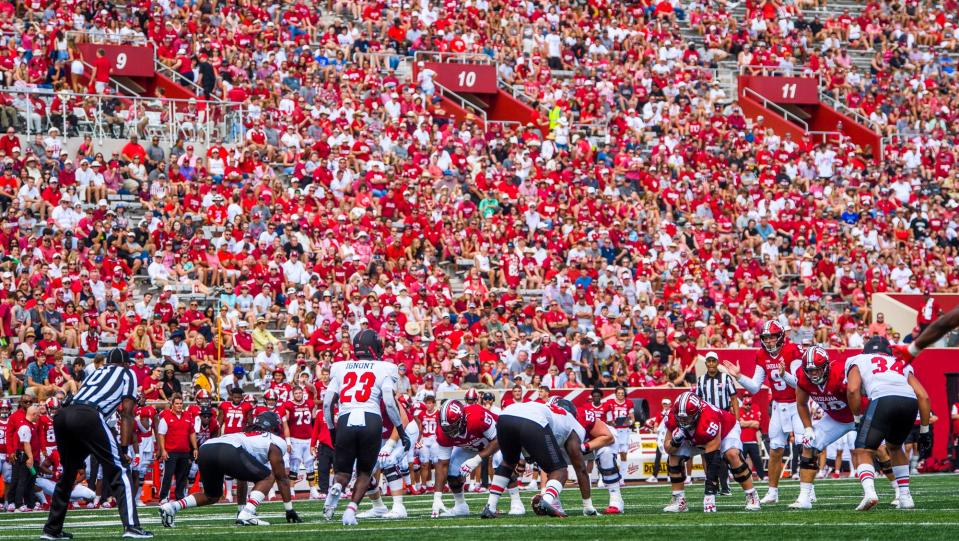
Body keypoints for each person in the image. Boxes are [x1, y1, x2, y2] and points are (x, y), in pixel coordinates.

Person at [42, 347, 152, 539]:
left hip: (64, 415)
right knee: (121, 469)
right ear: (126, 363)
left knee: (68, 475)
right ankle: (132, 527)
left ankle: (51, 530)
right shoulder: (128, 372)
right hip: (89, 415)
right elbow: (126, 412)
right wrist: (123, 448)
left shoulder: (96, 372)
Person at [322, 330, 409, 526]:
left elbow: (327, 403)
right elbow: (388, 401)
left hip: (345, 418)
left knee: (343, 472)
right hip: (370, 418)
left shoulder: (339, 367)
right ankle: (351, 510)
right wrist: (400, 431)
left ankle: (337, 485)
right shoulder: (386, 367)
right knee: (364, 472)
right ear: (375, 347)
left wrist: (332, 429)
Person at [158, 411, 302, 527]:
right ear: (274, 427)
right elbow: (281, 477)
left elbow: (242, 477)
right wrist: (289, 509)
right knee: (268, 476)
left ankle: (172, 507)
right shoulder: (273, 440)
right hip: (228, 449)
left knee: (211, 495)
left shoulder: (246, 436)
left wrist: (241, 509)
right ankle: (248, 513)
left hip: (207, 448)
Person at [722, 319, 803, 504]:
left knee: (804, 447)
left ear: (781, 336)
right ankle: (773, 492)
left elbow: (800, 383)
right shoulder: (761, 355)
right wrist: (739, 377)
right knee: (775, 450)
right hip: (778, 406)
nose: (769, 341)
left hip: (797, 405)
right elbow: (754, 388)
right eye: (766, 337)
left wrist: (784, 375)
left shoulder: (792, 350)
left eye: (773, 336)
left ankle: (808, 490)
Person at [847, 336, 932, 511]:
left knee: (863, 449)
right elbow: (923, 396)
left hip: (883, 399)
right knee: (895, 447)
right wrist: (924, 430)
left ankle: (870, 493)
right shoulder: (900, 362)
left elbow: (853, 389)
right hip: (909, 402)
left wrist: (857, 418)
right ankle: (905, 497)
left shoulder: (857, 359)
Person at [487, 400, 592, 518]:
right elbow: (580, 468)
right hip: (532, 421)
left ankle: (490, 507)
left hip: (505, 416)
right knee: (560, 470)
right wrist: (588, 506)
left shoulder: (544, 408)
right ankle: (546, 500)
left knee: (508, 462)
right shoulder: (572, 422)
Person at [661, 392, 760, 513]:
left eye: (687, 418)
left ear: (697, 413)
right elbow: (667, 448)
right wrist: (675, 442)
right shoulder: (672, 416)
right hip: (695, 435)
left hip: (726, 430)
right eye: (680, 418)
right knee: (674, 456)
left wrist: (709, 496)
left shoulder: (708, 418)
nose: (683, 421)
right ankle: (678, 500)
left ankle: (751, 495)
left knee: (732, 455)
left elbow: (713, 460)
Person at [429, 398, 520, 517]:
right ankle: (460, 506)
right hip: (471, 446)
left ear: (462, 419)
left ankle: (516, 502)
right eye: (447, 428)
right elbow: (442, 464)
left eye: (453, 426)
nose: (449, 431)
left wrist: (476, 460)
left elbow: (498, 440)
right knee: (452, 470)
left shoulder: (477, 416)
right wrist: (437, 497)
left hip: (499, 439)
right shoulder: (443, 431)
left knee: (500, 462)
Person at [695, 351, 739, 494]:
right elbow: (698, 402)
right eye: (709, 361)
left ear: (717, 362)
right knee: (706, 453)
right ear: (706, 363)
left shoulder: (726, 378)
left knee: (723, 452)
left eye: (714, 361)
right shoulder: (701, 380)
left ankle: (725, 486)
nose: (711, 364)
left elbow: (733, 399)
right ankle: (711, 484)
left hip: (724, 417)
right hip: (707, 419)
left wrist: (736, 420)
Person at [156, 394, 197, 503]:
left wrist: (195, 448)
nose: (179, 406)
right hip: (171, 451)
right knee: (168, 475)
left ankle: (180, 497)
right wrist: (163, 450)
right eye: (177, 404)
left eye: (181, 403)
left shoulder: (188, 416)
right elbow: (161, 435)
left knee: (182, 476)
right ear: (172, 405)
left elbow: (192, 433)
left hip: (184, 451)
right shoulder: (166, 417)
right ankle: (163, 497)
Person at [286, 385, 321, 500]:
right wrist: (288, 441)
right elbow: (285, 422)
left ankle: (313, 490)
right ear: (293, 394)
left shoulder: (310, 403)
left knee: (310, 464)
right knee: (294, 465)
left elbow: (314, 418)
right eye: (296, 393)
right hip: (295, 438)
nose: (298, 395)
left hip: (309, 438)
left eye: (299, 393)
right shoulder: (289, 405)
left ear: (302, 393)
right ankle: (291, 490)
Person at [601, 386, 633, 484]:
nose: (620, 395)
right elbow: (603, 414)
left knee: (623, 454)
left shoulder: (629, 403)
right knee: (612, 454)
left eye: (622, 393)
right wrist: (610, 422)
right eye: (618, 393)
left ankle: (622, 478)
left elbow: (632, 417)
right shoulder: (610, 402)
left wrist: (630, 422)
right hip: (614, 430)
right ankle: (611, 477)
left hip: (624, 431)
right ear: (615, 394)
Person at [738, 397, 765, 480]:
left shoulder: (754, 411)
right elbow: (740, 424)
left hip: (753, 441)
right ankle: (741, 477)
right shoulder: (739, 411)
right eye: (746, 404)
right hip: (742, 441)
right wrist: (751, 422)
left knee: (757, 460)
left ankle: (762, 476)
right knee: (741, 461)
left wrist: (745, 423)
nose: (748, 406)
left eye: (749, 404)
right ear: (743, 405)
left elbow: (757, 424)